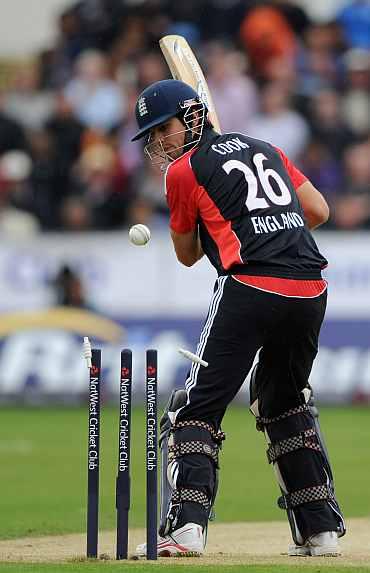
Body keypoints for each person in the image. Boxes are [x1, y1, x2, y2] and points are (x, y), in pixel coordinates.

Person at [131, 79, 345, 557]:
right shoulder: (265, 147)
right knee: (282, 402)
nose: (159, 142)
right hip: (310, 288)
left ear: (191, 116)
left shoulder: (184, 171)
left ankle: (186, 529)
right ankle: (320, 531)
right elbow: (318, 209)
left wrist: (234, 229)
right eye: (152, 135)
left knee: (194, 408)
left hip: (251, 286)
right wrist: (267, 226)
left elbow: (187, 254)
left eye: (163, 128)